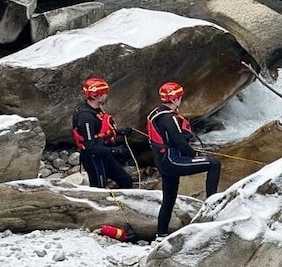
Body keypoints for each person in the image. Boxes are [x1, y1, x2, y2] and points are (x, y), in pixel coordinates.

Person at [146, 81, 221, 239]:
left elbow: (171, 136)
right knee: (214, 163)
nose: (180, 99)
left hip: (162, 162)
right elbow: (179, 142)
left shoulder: (156, 113)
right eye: (179, 97)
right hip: (173, 161)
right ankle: (211, 204)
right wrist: (193, 154)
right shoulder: (169, 118)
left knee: (169, 200)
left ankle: (161, 234)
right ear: (174, 99)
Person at [72, 77, 134, 189]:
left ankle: (121, 203)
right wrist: (115, 151)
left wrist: (119, 132)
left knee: (126, 181)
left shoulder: (96, 109)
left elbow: (100, 131)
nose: (106, 96)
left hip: (104, 153)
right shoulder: (86, 117)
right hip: (93, 158)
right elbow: (90, 146)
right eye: (104, 93)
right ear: (97, 96)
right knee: (98, 188)